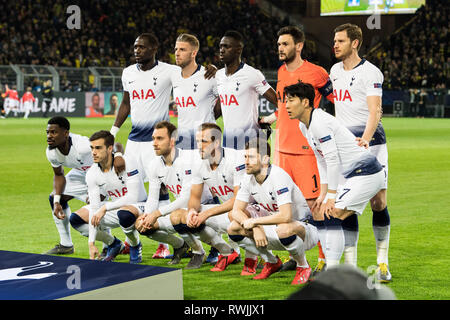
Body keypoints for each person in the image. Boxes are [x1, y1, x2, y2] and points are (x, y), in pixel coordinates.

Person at [110, 33, 215, 257]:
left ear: (154, 49)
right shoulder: (128, 73)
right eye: (135, 46)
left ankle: (165, 244)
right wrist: (113, 132)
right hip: (133, 141)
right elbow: (126, 103)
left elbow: (193, 70)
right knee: (132, 190)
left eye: (142, 47)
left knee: (162, 186)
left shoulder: (170, 71)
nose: (137, 50)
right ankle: (133, 239)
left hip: (155, 141)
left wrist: (212, 68)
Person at [284, 81, 385, 271]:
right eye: (286, 101)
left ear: (305, 102)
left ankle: (333, 271)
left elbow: (332, 160)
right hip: (354, 176)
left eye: (291, 100)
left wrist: (331, 197)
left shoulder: (319, 122)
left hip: (367, 172)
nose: (286, 105)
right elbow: (321, 160)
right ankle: (348, 271)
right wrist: (323, 194)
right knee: (332, 212)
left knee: (332, 212)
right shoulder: (303, 126)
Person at [260, 26, 334, 273]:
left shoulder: (317, 73)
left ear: (298, 46)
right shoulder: (281, 72)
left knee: (316, 206)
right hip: (282, 150)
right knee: (287, 205)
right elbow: (283, 106)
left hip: (306, 151)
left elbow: (337, 102)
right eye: (278, 44)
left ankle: (325, 260)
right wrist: (272, 118)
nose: (280, 48)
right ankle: (297, 255)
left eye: (285, 44)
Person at [331, 23, 392, 281]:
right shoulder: (334, 71)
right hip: (345, 149)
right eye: (334, 40)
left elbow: (375, 110)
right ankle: (351, 266)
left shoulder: (371, 72)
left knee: (378, 202)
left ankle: (382, 263)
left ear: (355, 43)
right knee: (347, 204)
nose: (335, 44)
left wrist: (364, 140)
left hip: (372, 146)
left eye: (340, 41)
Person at [228, 137, 318, 284]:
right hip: (275, 226)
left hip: (304, 229)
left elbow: (286, 216)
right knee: (233, 228)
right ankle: (271, 261)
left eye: (250, 157)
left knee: (283, 229)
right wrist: (255, 227)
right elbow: (236, 210)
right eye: (245, 157)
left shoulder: (278, 176)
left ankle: (303, 266)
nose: (246, 161)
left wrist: (255, 222)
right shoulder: (247, 178)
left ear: (265, 159)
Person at [169, 123, 246, 271]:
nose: (199, 146)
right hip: (227, 213)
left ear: (216, 143)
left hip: (250, 212)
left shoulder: (236, 159)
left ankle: (263, 257)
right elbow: (195, 197)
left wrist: (205, 214)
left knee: (233, 215)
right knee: (178, 216)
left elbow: (239, 201)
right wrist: (192, 211)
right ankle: (226, 252)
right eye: (197, 141)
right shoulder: (199, 163)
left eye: (203, 141)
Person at [45, 116, 124, 255]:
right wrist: (57, 201)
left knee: (95, 204)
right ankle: (66, 245)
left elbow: (112, 146)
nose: (49, 136)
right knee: (55, 198)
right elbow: (59, 175)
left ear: (65, 133)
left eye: (53, 132)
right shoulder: (51, 151)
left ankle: (109, 245)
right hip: (80, 173)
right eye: (48, 132)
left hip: (100, 173)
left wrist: (118, 155)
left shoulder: (82, 146)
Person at [135, 121, 210, 267]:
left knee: (177, 215)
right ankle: (181, 245)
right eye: (153, 138)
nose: (154, 143)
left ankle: (204, 252)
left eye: (159, 138)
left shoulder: (189, 159)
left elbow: (186, 199)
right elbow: (153, 197)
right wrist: (147, 216)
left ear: (172, 141)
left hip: (204, 207)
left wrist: (155, 214)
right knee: (140, 224)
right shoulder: (154, 165)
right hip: (183, 211)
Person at [71, 130, 147, 263]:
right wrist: (91, 243)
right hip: (116, 208)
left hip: (140, 206)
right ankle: (114, 243)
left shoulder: (127, 162)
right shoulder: (92, 173)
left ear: (110, 148)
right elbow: (95, 207)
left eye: (98, 148)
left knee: (124, 214)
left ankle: (135, 245)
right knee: (76, 219)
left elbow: (134, 196)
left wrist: (105, 207)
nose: (93, 152)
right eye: (92, 148)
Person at [215, 30, 277, 150]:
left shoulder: (252, 74)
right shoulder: (218, 76)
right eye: (220, 46)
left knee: (259, 168)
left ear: (239, 49)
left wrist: (271, 118)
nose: (222, 50)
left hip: (253, 144)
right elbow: (218, 109)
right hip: (228, 144)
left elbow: (280, 101)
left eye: (226, 46)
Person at [171, 33, 221, 149]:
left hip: (206, 143)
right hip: (182, 143)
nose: (177, 53)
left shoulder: (209, 76)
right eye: (176, 49)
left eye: (182, 49)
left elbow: (226, 98)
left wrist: (212, 117)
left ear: (194, 53)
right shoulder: (173, 76)